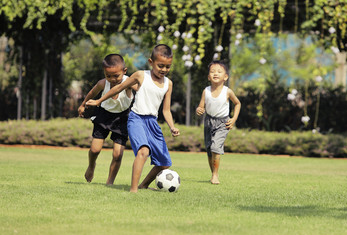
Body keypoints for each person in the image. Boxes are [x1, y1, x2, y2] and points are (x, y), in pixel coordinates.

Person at [86, 44, 180, 193]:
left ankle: (143, 185)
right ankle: (134, 190)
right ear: (151, 62)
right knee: (143, 151)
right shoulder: (141, 75)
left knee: (164, 163)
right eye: (160, 65)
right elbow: (118, 88)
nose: (164, 70)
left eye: (168, 67)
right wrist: (98, 101)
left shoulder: (168, 84)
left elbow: (166, 110)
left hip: (152, 122)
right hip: (136, 119)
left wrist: (172, 126)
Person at [78, 53, 134, 185]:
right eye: (108, 76)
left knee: (117, 154)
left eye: (116, 76)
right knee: (95, 149)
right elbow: (92, 93)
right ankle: (91, 165)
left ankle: (110, 182)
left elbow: (140, 87)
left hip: (122, 118)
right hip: (103, 114)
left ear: (124, 71)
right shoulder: (103, 83)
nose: (112, 79)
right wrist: (82, 105)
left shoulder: (129, 82)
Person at [196, 60, 241, 184]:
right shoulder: (206, 91)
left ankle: (215, 175)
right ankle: (213, 174)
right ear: (208, 77)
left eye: (219, 71)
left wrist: (234, 119)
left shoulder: (228, 91)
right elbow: (201, 107)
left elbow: (237, 103)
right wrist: (199, 110)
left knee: (216, 147)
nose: (216, 73)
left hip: (222, 123)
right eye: (212, 71)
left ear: (225, 77)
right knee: (210, 150)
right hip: (208, 122)